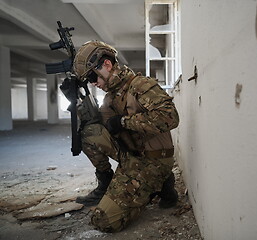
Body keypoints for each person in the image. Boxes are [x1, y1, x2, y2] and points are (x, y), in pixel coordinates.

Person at [72, 40, 180, 232]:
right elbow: (102, 127)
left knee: (103, 221)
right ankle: (107, 183)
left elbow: (170, 118)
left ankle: (161, 183)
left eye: (92, 77)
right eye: (88, 80)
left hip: (153, 161)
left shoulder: (140, 85)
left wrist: (123, 122)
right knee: (89, 133)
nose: (93, 83)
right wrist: (76, 98)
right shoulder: (111, 96)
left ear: (107, 64)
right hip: (132, 155)